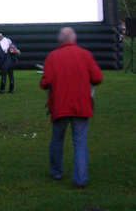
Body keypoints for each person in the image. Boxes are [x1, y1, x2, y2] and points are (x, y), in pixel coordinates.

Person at [40, 27, 103, 189]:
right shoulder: (85, 55)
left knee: (57, 140)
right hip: (81, 105)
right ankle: (80, 179)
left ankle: (56, 172)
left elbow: (45, 83)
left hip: (60, 105)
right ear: (74, 39)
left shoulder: (53, 57)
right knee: (80, 142)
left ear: (60, 40)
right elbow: (97, 78)